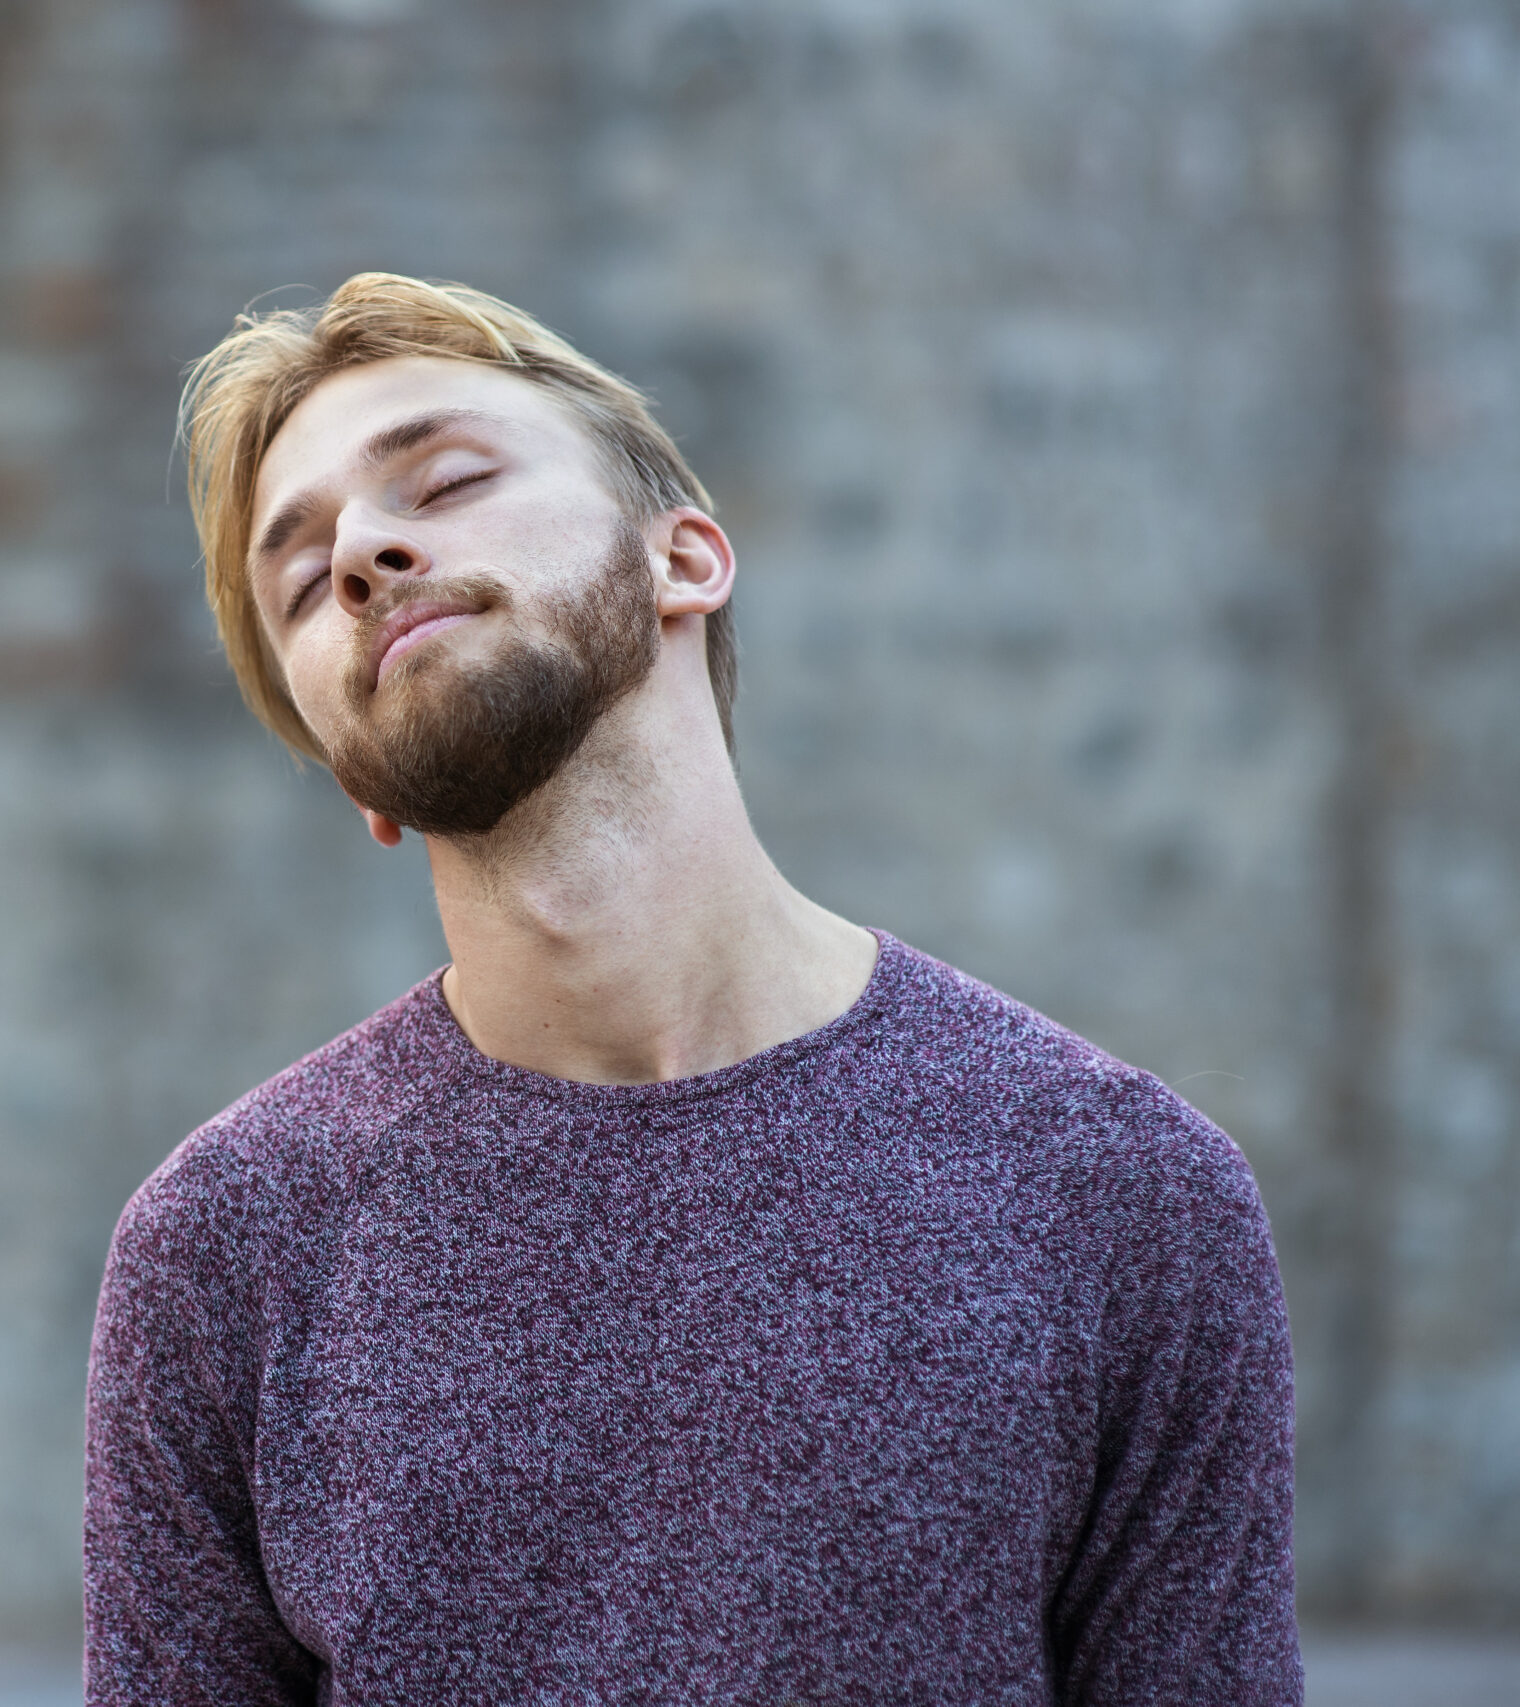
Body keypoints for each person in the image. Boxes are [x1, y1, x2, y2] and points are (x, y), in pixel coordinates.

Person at [83, 275, 1299, 1704]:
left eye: (450, 476)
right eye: (302, 575)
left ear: (689, 558)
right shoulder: (224, 1247)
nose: (361, 551)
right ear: (356, 772)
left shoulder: (1122, 1186)